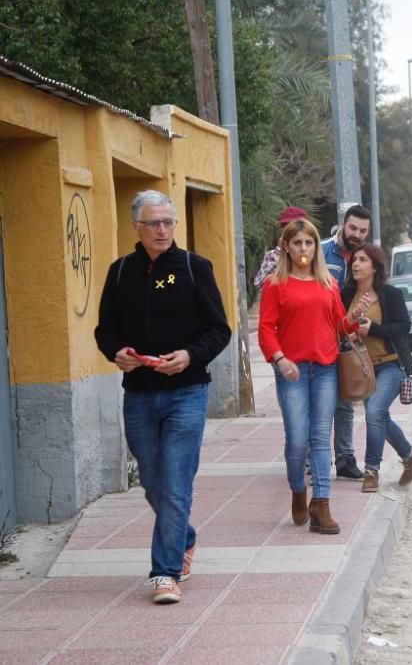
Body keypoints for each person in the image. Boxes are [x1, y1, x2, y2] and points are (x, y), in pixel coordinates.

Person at [95, 190, 232, 604]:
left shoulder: (194, 267)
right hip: (138, 394)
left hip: (186, 393)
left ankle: (165, 572)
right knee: (153, 482)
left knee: (174, 484)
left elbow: (219, 329)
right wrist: (115, 351)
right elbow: (105, 329)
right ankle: (184, 536)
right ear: (136, 226)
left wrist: (190, 356)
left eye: (168, 222)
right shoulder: (121, 272)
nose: (161, 229)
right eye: (153, 222)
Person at [258, 219, 370, 536]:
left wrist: (355, 316)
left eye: (309, 243)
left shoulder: (327, 283)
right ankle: (297, 489)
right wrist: (279, 359)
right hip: (291, 370)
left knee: (320, 438)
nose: (303, 249)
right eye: (297, 243)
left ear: (316, 247)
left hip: (325, 368)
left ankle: (321, 505)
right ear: (287, 247)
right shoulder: (275, 284)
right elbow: (266, 329)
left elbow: (340, 326)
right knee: (296, 440)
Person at [339, 244, 412, 492]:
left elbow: (402, 327)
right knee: (380, 417)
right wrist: (352, 328)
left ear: (375, 267)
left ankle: (371, 471)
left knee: (375, 411)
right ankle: (410, 456)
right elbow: (339, 326)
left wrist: (373, 329)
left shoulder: (391, 294)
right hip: (361, 368)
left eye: (362, 260)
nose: (355, 264)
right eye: (354, 260)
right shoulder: (346, 295)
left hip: (391, 364)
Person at [324, 205, 373, 480]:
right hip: (318, 339)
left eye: (363, 231)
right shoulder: (319, 252)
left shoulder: (362, 256)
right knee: (316, 404)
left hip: (347, 337)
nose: (356, 234)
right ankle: (313, 458)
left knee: (346, 402)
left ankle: (344, 460)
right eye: (353, 228)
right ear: (344, 223)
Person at [253, 206, 310, 291]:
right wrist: (280, 251)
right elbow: (259, 284)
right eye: (285, 227)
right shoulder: (272, 255)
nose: (290, 231)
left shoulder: (312, 253)